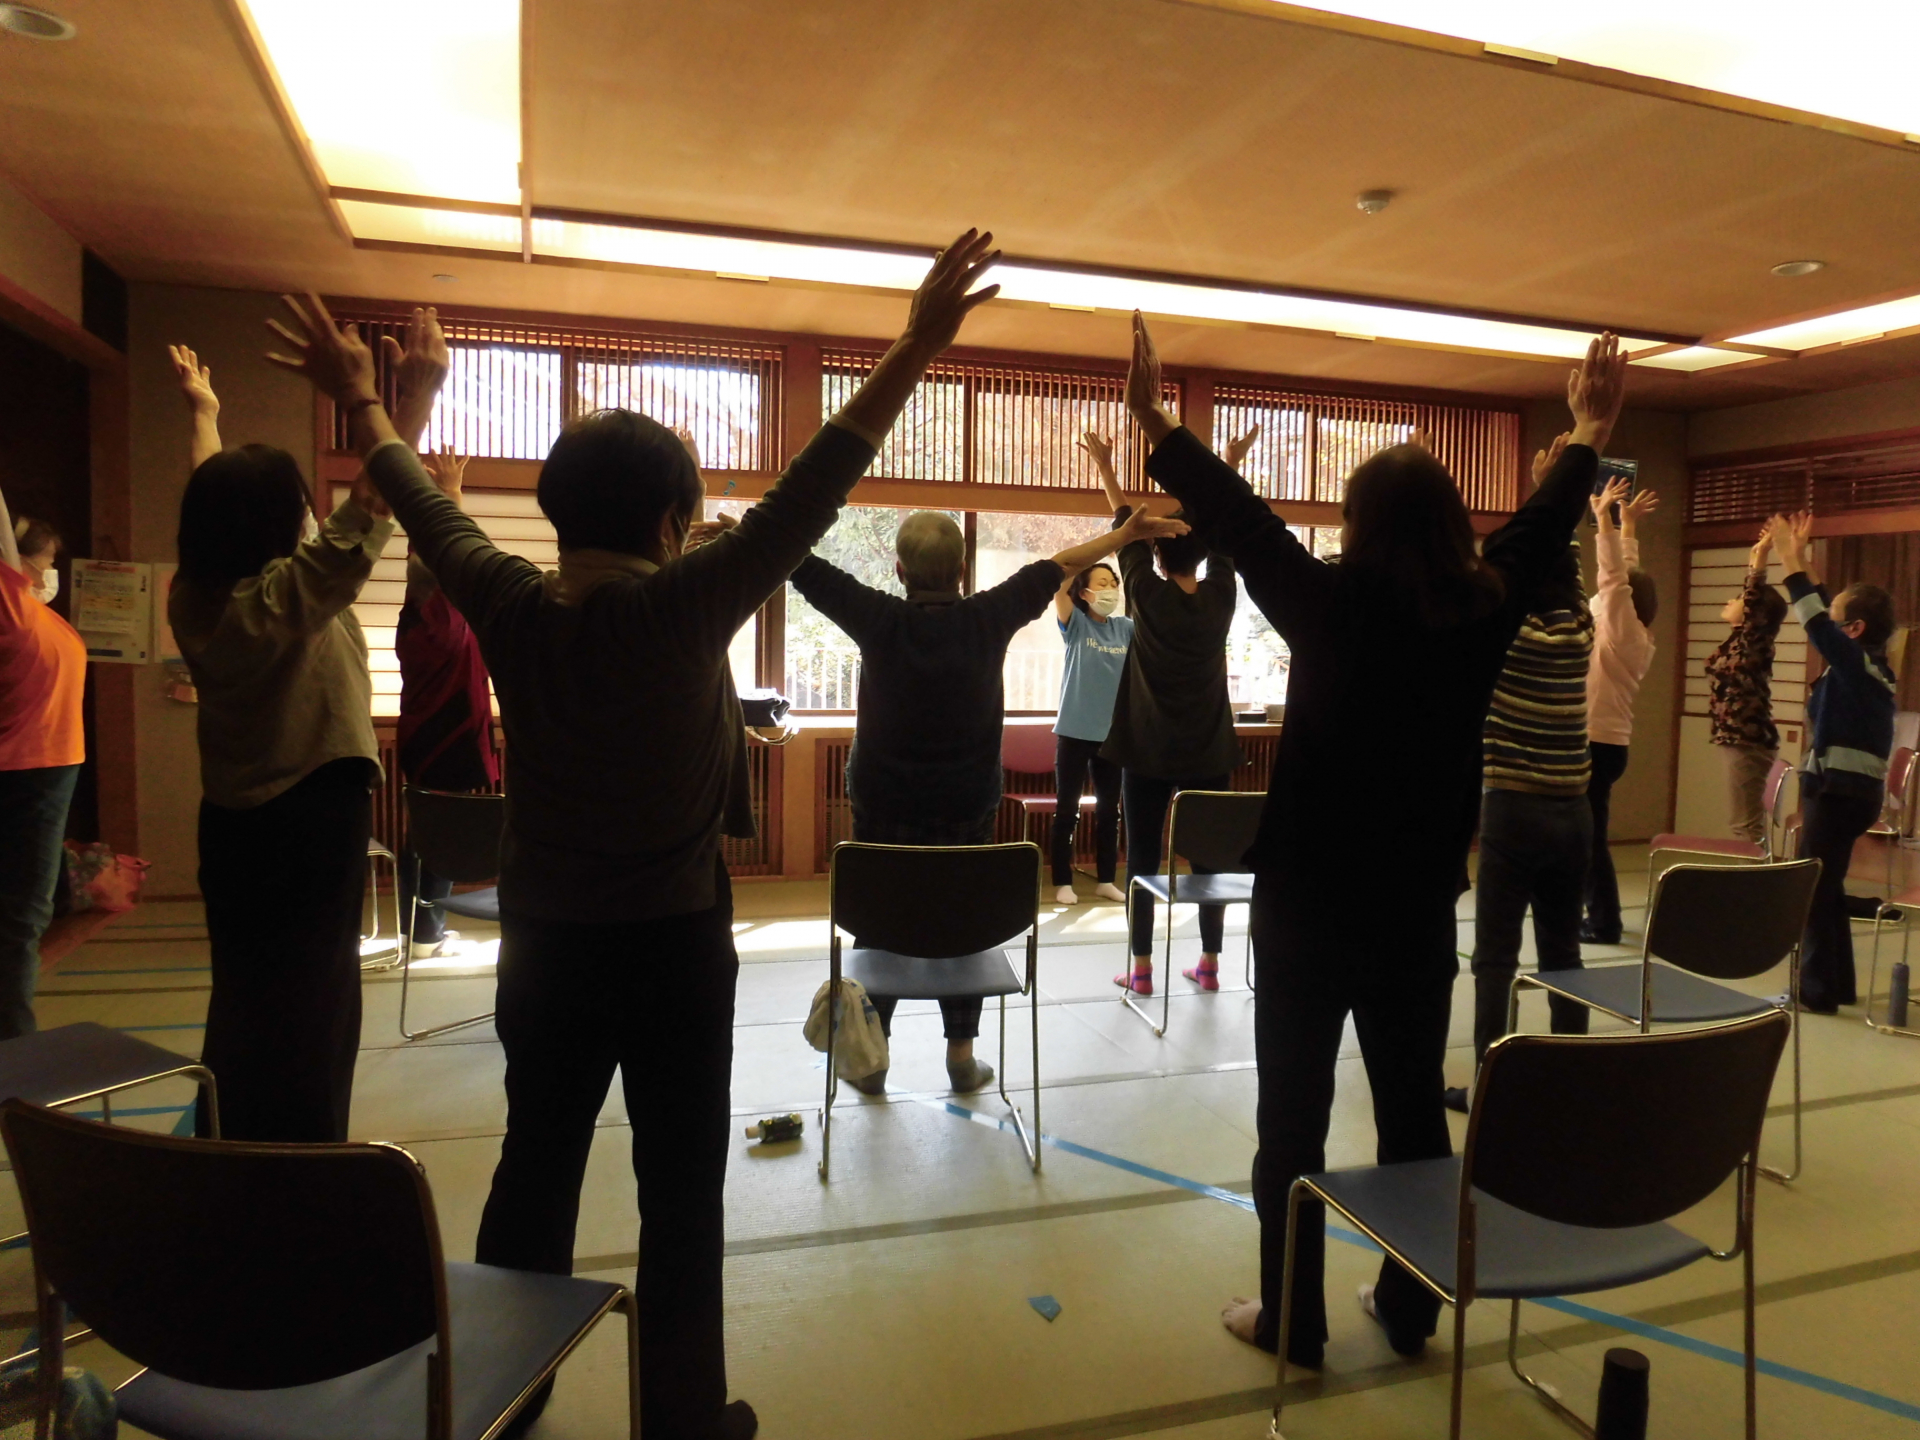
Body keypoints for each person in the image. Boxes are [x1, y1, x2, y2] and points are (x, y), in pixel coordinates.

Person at [266, 232, 1003, 1440]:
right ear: (672, 519)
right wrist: (918, 344)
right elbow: (823, 475)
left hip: (546, 947)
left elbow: (420, 501)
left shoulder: (508, 600)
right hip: (673, 948)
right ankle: (683, 1418)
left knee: (535, 1164)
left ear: (556, 511)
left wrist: (366, 400)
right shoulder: (684, 606)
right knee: (679, 1194)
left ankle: (505, 1399)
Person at [1122, 311, 1625, 1368]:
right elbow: (1538, 530)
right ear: (1450, 526)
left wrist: (1158, 423)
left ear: (1356, 526)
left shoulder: (1326, 600)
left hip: (1306, 912)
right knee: (1411, 1117)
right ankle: (1408, 1309)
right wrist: (1588, 432)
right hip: (1414, 913)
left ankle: (1292, 1319)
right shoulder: (1482, 608)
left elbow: (1244, 520)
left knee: (1292, 1124)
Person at [792, 506, 1184, 1094]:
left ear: (898, 570)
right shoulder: (988, 615)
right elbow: (1061, 564)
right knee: (964, 920)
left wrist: (739, 535)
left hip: (883, 810)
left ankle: (873, 1057)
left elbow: (799, 565)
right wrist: (1125, 534)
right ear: (962, 568)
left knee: (880, 919)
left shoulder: (875, 616)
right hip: (968, 808)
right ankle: (961, 1056)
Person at [167, 337, 442, 1144]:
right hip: (306, 822)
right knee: (313, 1009)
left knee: (246, 1000)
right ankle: (302, 1164)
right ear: (274, 529)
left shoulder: (199, 592)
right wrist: (415, 401)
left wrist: (204, 414)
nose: (309, 517)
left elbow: (209, 489)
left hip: (235, 823)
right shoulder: (281, 600)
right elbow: (370, 511)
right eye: (297, 507)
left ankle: (228, 1151)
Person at [1448, 464, 1608, 1115]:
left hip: (1512, 810)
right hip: (1575, 814)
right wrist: (1557, 497)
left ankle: (1492, 1086)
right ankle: (1570, 1077)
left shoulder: (1504, 636)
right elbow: (1567, 568)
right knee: (1564, 954)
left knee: (1495, 958)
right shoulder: (1581, 629)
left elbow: (1475, 581)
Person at [1084, 426, 1255, 994]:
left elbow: (1125, 525)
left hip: (1146, 748)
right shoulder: (1221, 597)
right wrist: (1228, 465)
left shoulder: (1145, 594)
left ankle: (1140, 969)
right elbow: (1227, 524)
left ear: (1156, 554)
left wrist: (1106, 467)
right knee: (1210, 860)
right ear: (1204, 555)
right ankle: (1209, 964)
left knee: (1142, 858)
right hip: (1209, 750)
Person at [1771, 511, 1897, 1015]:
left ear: (1855, 629)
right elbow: (1826, 614)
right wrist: (1805, 562)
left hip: (1839, 792)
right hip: (1849, 792)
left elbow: (1818, 623)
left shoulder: (1857, 664)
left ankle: (1816, 991)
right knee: (1828, 886)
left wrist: (1789, 562)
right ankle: (1837, 984)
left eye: (1839, 617)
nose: (1829, 619)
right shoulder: (1866, 666)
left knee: (1813, 887)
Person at [394, 450, 500, 957]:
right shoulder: (445, 622)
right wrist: (451, 496)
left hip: (423, 736)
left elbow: (435, 555)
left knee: (425, 833)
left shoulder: (417, 617)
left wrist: (447, 497)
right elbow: (449, 554)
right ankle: (424, 933)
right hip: (450, 734)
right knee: (442, 835)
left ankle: (419, 930)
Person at [0, 496, 84, 1041]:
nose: (52, 570)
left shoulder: (32, 611)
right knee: (21, 917)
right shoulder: (9, 605)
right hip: (27, 771)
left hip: (46, 770)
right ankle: (14, 1047)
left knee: (24, 915)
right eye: (49, 559)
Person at [1581, 476, 1659, 944]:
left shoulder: (1625, 633)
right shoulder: (1624, 628)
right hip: (1604, 744)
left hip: (1597, 744)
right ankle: (1596, 915)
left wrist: (1604, 522)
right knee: (1585, 836)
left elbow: (1614, 579)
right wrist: (1627, 526)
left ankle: (1604, 922)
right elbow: (1623, 576)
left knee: (1589, 840)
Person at [1050, 559, 1131, 907]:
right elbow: (1059, 589)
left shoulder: (1126, 628)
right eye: (1102, 583)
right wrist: (1083, 560)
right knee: (1067, 809)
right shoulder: (1077, 623)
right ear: (1084, 593)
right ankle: (1062, 881)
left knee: (1110, 811)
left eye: (1113, 583)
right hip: (1074, 731)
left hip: (1112, 735)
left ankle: (1106, 880)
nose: (1110, 589)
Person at [1705, 523, 1788, 843]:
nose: (1733, 600)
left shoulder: (1756, 641)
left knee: (1744, 825)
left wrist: (1761, 558)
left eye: (1740, 597)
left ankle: (1751, 875)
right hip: (1739, 739)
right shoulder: (1741, 641)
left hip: (1748, 741)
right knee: (1743, 822)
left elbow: (1753, 595)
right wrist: (1754, 555)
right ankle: (1752, 873)